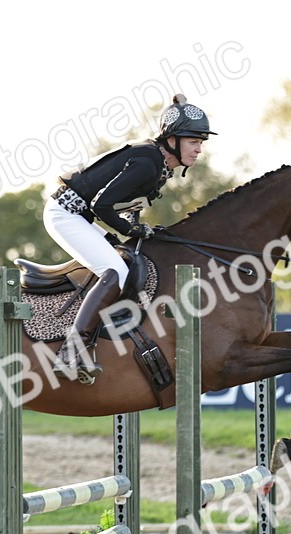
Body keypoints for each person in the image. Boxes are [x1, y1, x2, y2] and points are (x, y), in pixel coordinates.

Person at [45, 93, 216, 382]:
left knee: (130, 262)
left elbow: (123, 208)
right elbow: (102, 205)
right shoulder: (149, 163)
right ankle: (72, 352)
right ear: (172, 140)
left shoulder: (158, 164)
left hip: (81, 217)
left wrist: (138, 230)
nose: (199, 149)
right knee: (116, 271)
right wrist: (132, 231)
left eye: (200, 143)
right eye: (193, 141)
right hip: (65, 214)